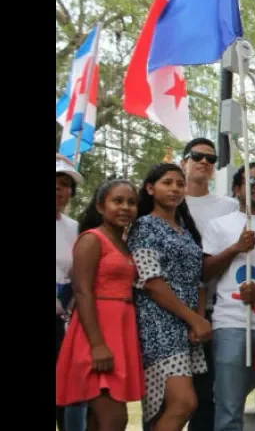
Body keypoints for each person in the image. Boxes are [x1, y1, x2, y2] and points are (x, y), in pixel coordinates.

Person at [201, 163, 255, 430]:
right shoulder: (219, 226)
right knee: (229, 408)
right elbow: (205, 273)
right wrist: (236, 248)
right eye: (251, 182)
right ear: (237, 188)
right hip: (232, 324)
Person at [128, 163, 212, 430]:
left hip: (186, 325)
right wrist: (194, 319)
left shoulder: (186, 231)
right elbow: (151, 282)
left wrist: (197, 319)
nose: (175, 188)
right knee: (184, 403)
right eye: (167, 183)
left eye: (179, 183)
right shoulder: (144, 226)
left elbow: (198, 279)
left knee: (164, 409)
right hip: (158, 323)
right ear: (151, 189)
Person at [56, 180, 145, 430]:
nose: (125, 207)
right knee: (114, 419)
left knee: (99, 421)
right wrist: (96, 344)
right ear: (100, 205)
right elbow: (82, 291)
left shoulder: (124, 244)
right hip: (97, 333)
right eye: (117, 201)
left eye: (131, 202)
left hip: (121, 330)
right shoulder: (92, 239)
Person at [181, 138, 240, 431]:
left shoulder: (229, 206)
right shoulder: (169, 201)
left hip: (214, 310)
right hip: (169, 311)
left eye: (211, 159)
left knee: (207, 396)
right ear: (184, 162)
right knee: (167, 397)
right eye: (197, 156)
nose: (204, 162)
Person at [55, 154, 88, 431]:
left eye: (64, 183)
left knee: (68, 396)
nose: (58, 188)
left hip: (63, 322)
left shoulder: (75, 228)